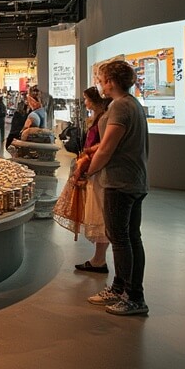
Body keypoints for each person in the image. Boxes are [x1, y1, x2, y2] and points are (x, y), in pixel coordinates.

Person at [85, 60, 150, 316]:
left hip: (120, 182)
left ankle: (133, 297)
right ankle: (121, 288)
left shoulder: (121, 106)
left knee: (121, 238)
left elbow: (108, 147)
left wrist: (87, 171)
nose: (100, 84)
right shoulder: (130, 104)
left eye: (101, 79)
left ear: (111, 81)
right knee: (131, 237)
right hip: (133, 180)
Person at [69, 86, 113, 273]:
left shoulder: (103, 120)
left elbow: (102, 146)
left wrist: (87, 163)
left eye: (86, 99)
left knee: (99, 216)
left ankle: (99, 260)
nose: (84, 102)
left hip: (97, 172)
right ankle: (98, 258)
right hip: (93, 169)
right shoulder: (98, 118)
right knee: (97, 214)